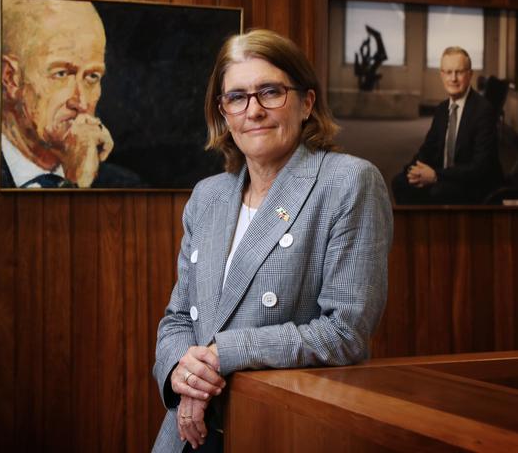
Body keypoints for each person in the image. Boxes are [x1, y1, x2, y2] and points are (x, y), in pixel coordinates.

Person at [152, 29, 393, 452]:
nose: (254, 110)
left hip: (277, 428)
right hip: (189, 429)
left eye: (270, 92)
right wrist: (179, 372)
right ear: (223, 112)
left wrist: (222, 352)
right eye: (237, 97)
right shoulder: (208, 195)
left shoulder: (347, 182)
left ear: (307, 102)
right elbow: (177, 319)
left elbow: (345, 332)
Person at [0, 0, 141, 189]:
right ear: (10, 78)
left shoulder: (124, 186)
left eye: (92, 76)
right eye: (61, 74)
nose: (81, 102)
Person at [392, 46, 502, 204]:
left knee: (438, 192)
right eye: (448, 72)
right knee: (400, 182)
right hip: (445, 176)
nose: (453, 78)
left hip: (474, 183)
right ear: (441, 75)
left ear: (470, 74)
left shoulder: (483, 111)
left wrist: (436, 175)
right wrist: (411, 171)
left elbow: (480, 167)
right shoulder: (442, 109)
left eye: (459, 72)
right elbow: (428, 148)